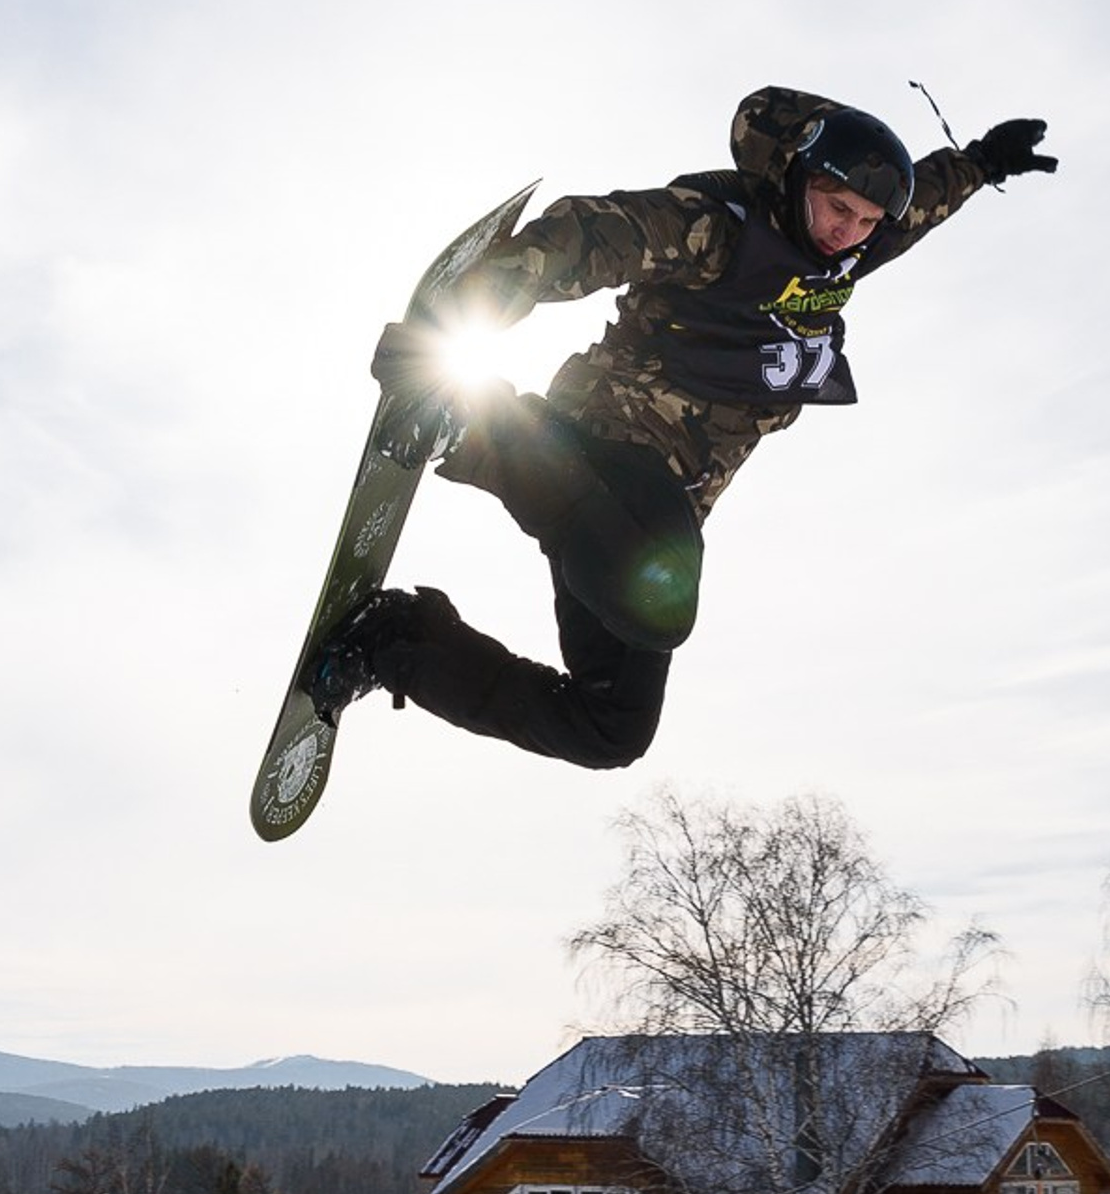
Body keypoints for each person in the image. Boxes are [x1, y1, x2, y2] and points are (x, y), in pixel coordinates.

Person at [309, 86, 1059, 768]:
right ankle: (465, 424)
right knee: (662, 605)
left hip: (637, 511)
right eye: (838, 210)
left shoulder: (844, 256)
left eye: (865, 224)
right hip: (602, 441)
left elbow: (921, 203)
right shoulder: (718, 229)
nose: (847, 234)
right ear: (800, 177)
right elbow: (599, 237)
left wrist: (984, 159)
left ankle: (395, 644)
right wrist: (460, 316)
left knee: (612, 730)